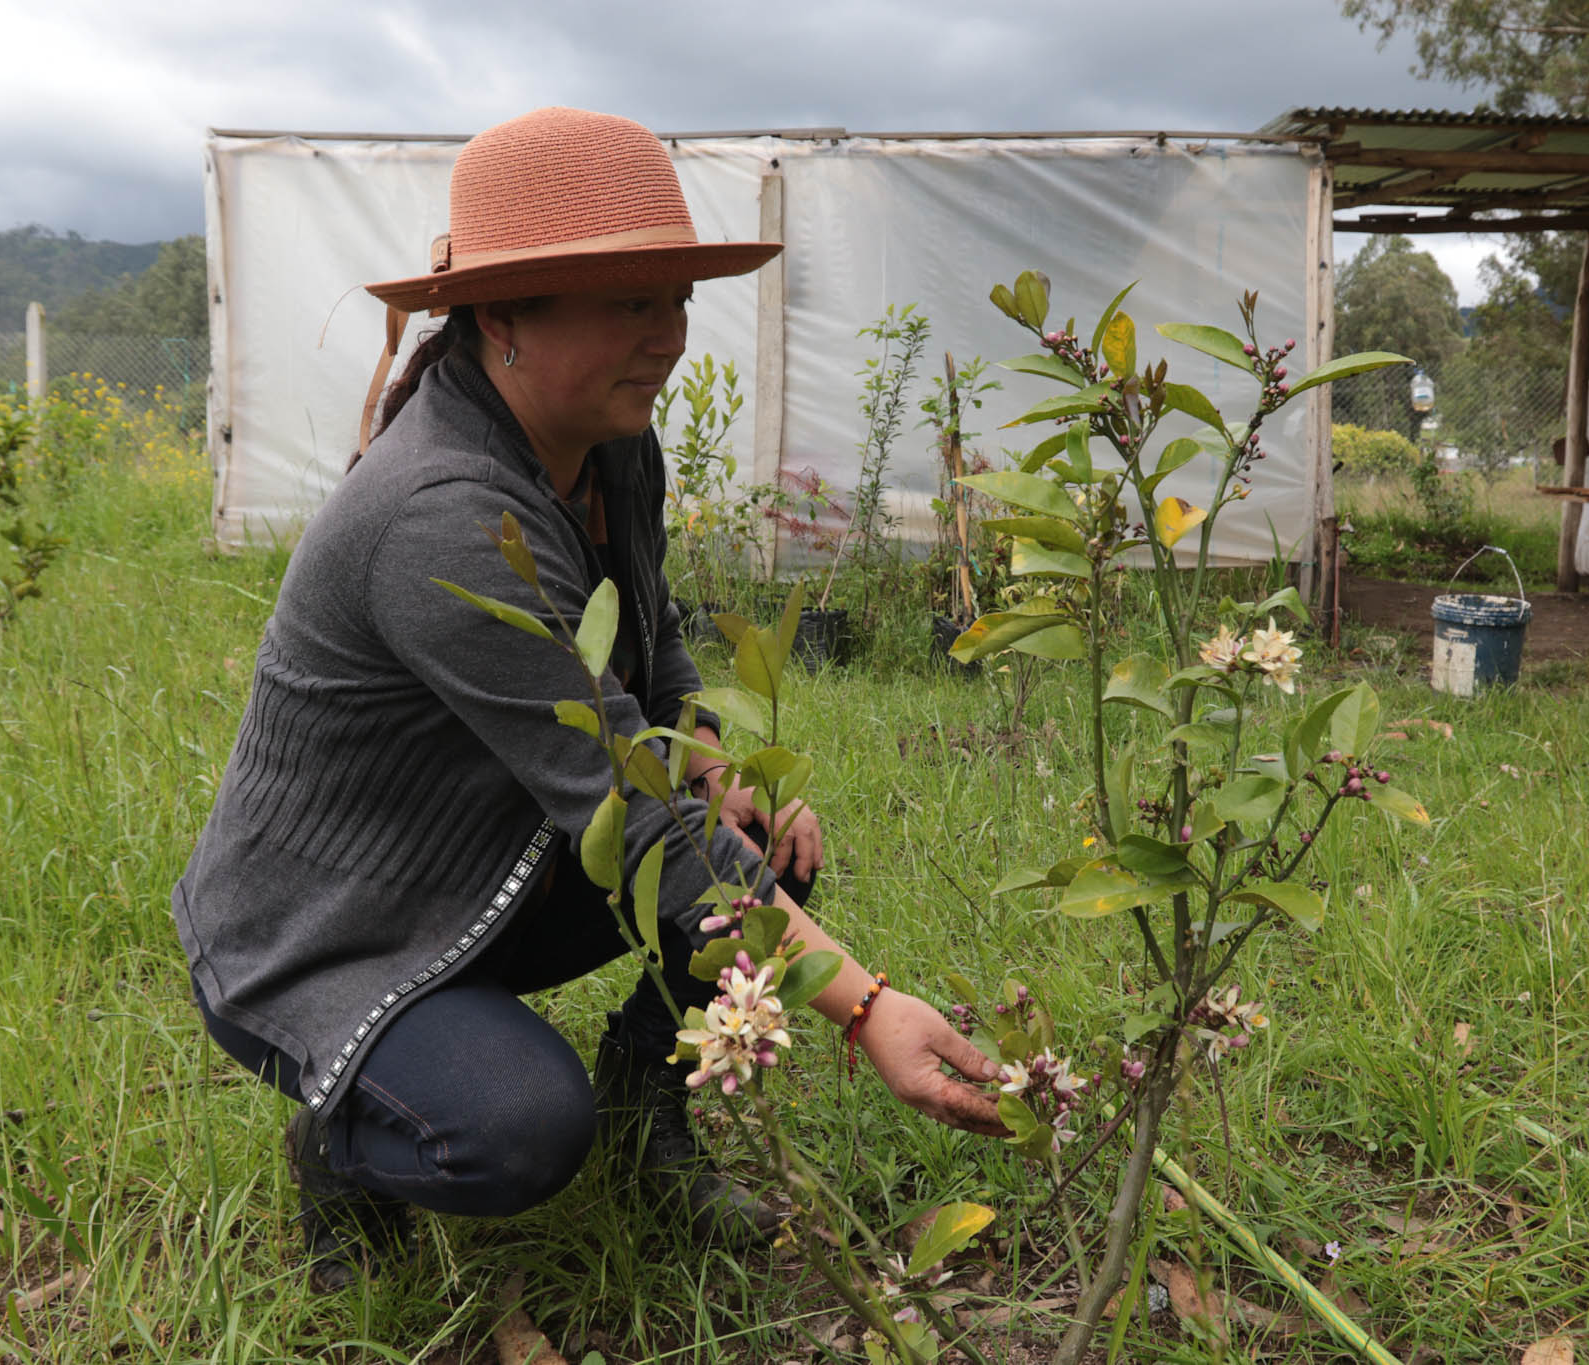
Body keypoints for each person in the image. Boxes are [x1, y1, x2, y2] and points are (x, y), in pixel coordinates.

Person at [173, 106, 1005, 1294]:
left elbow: (651, 646)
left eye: (672, 299)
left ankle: (645, 1110)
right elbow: (635, 809)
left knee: (758, 844)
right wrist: (866, 1007)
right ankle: (341, 1137)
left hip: (483, 867)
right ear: (502, 315)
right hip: (325, 933)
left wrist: (713, 760)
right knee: (514, 1128)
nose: (665, 336)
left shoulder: (613, 446)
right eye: (626, 303)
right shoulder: (441, 517)